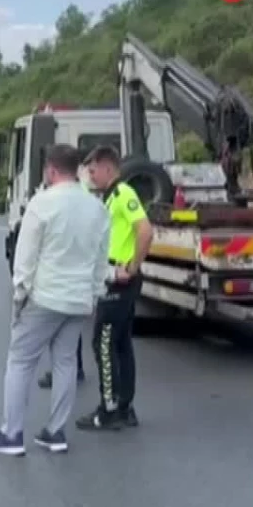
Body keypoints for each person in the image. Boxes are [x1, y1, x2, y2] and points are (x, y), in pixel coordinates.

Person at [0, 144, 110, 455]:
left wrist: (19, 296)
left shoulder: (42, 204)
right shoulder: (97, 207)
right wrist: (93, 293)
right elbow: (101, 258)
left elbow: (25, 258)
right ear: (77, 169)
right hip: (79, 298)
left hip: (45, 296)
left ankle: (11, 434)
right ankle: (55, 431)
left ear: (51, 170)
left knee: (20, 361)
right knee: (65, 362)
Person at [75, 145, 154, 432]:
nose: (91, 176)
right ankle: (124, 406)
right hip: (113, 278)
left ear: (108, 168)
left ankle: (109, 409)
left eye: (93, 170)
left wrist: (132, 267)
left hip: (119, 280)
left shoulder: (123, 194)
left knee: (104, 343)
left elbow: (145, 231)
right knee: (120, 344)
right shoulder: (109, 198)